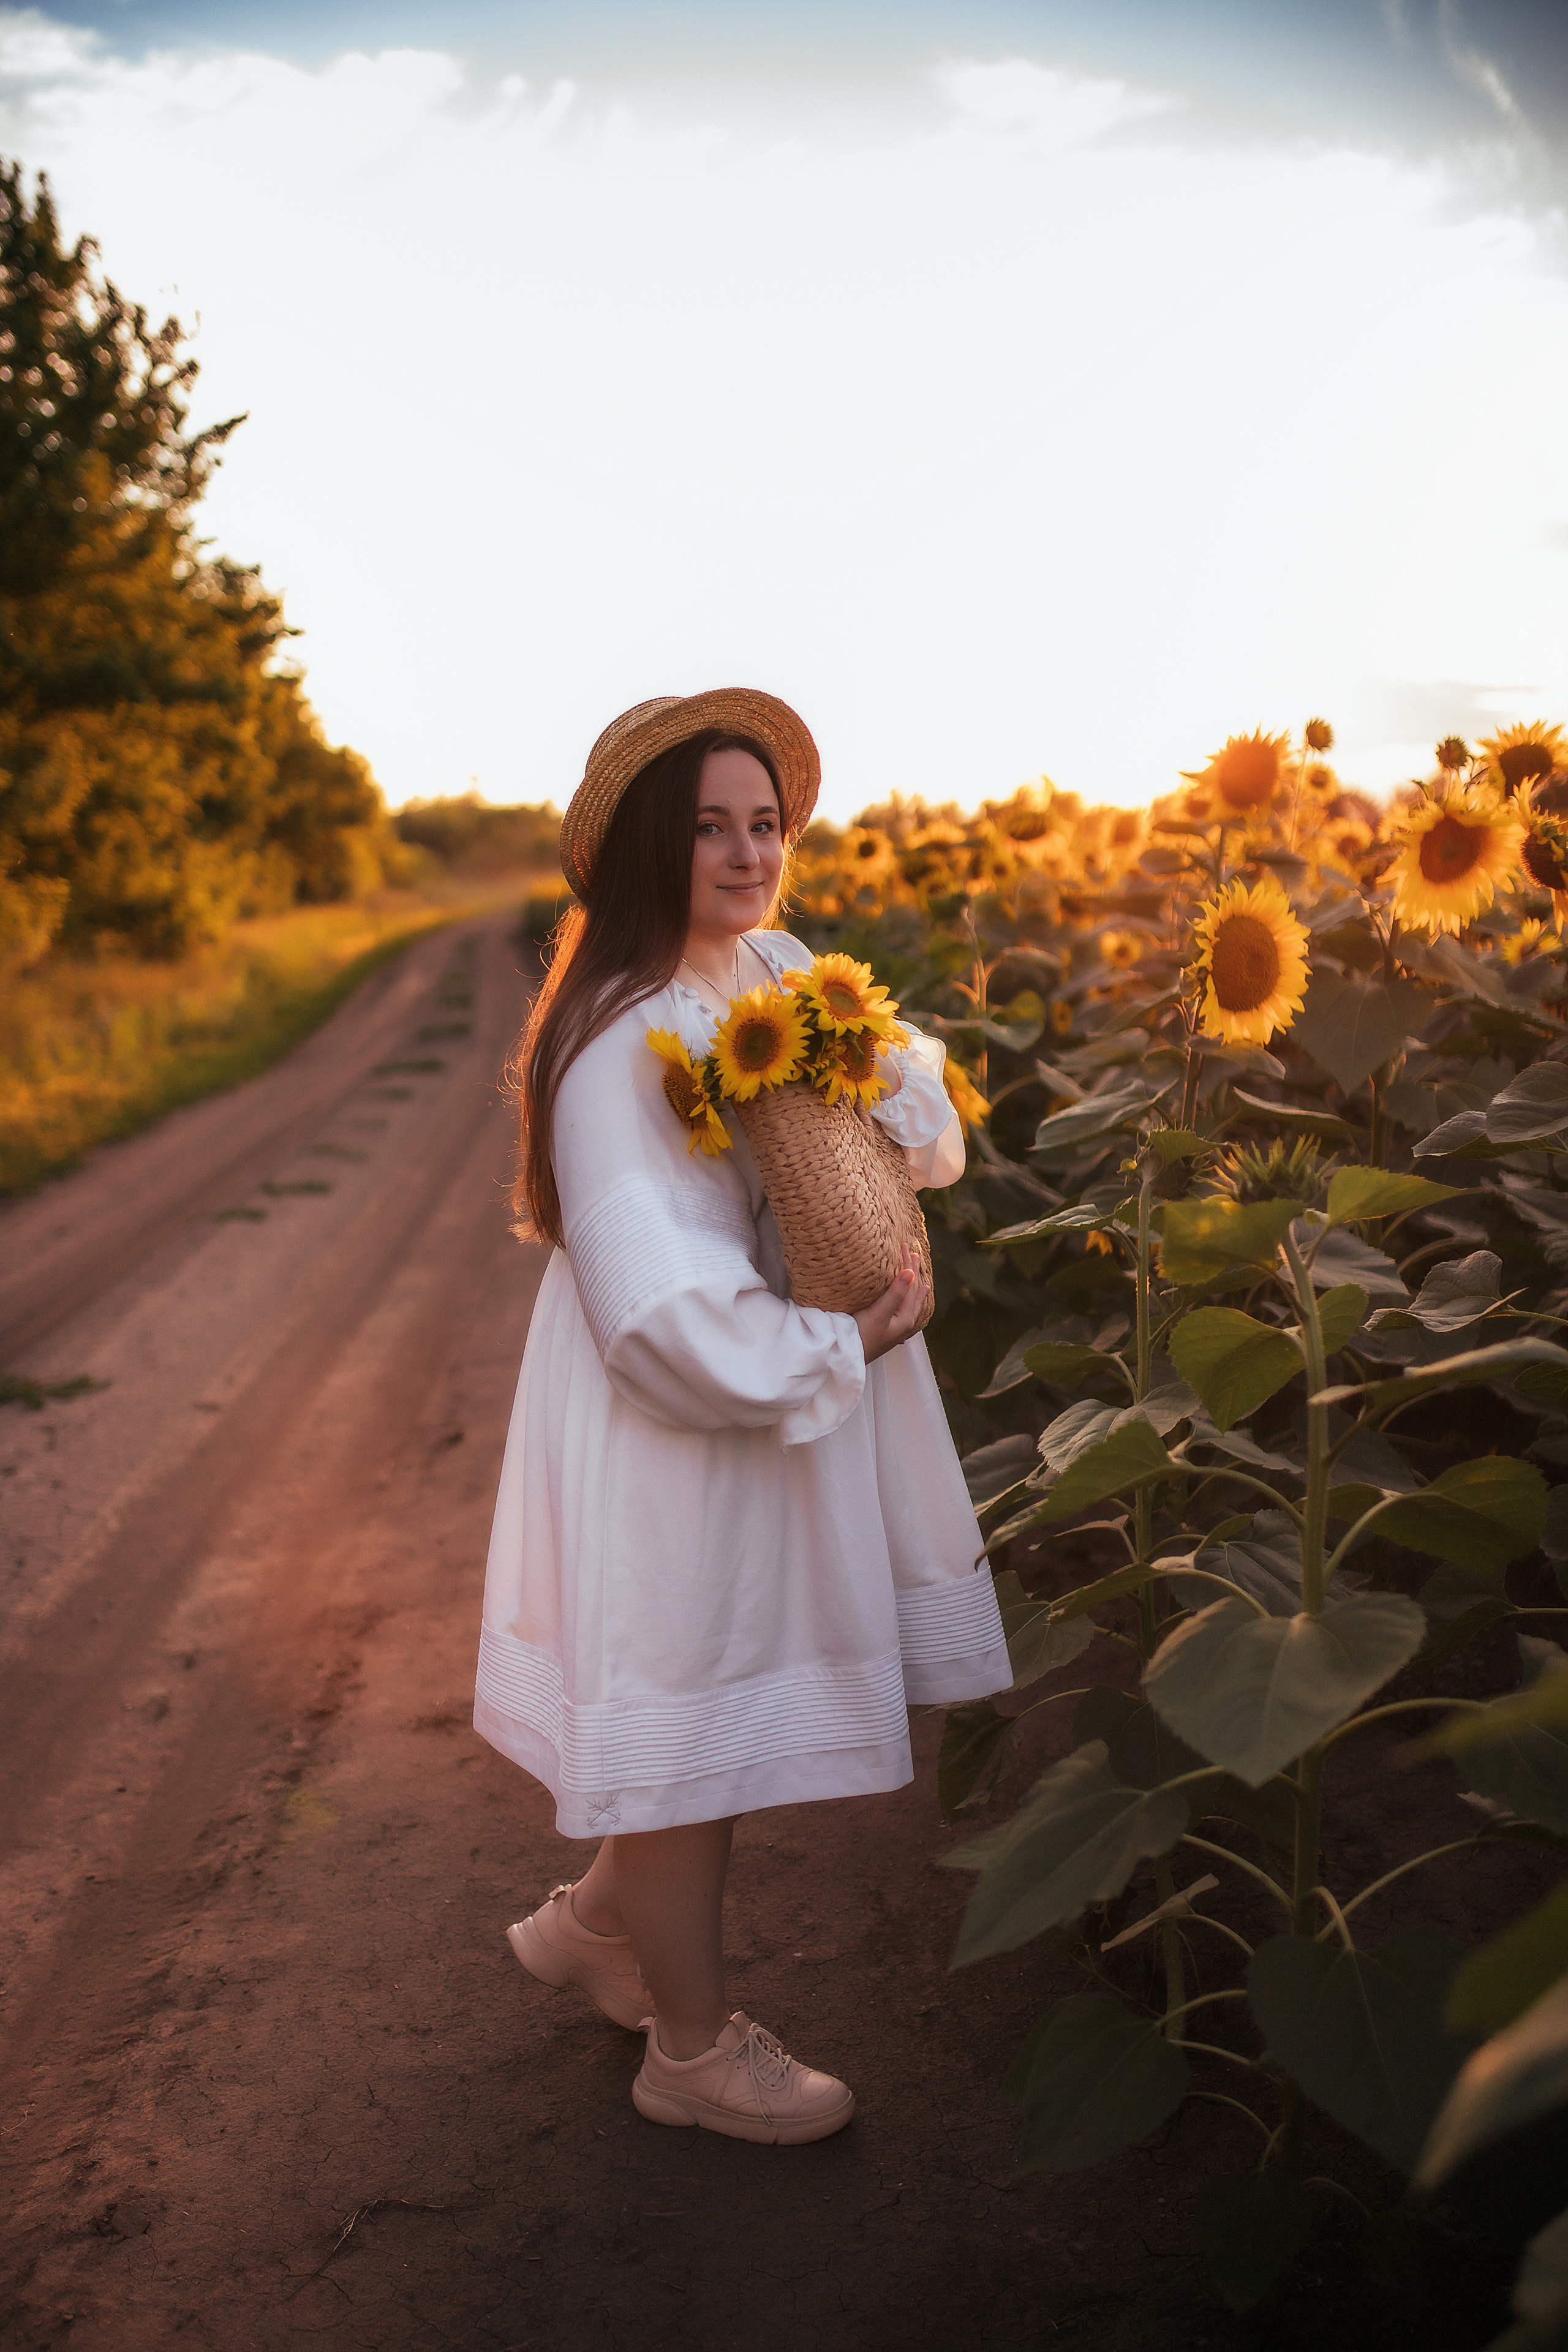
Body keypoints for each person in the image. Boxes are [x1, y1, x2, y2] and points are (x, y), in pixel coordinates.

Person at [474, 688, 1009, 2146]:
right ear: (652, 847)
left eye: (763, 823)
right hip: (684, 1424)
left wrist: (882, 1091)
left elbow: (919, 1138)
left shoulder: (772, 968)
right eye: (708, 827)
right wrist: (825, 1347)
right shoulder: (619, 1040)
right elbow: (655, 1313)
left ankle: (598, 1928)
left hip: (757, 1399)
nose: (745, 852)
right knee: (688, 1712)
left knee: (701, 1697)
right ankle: (691, 2052)